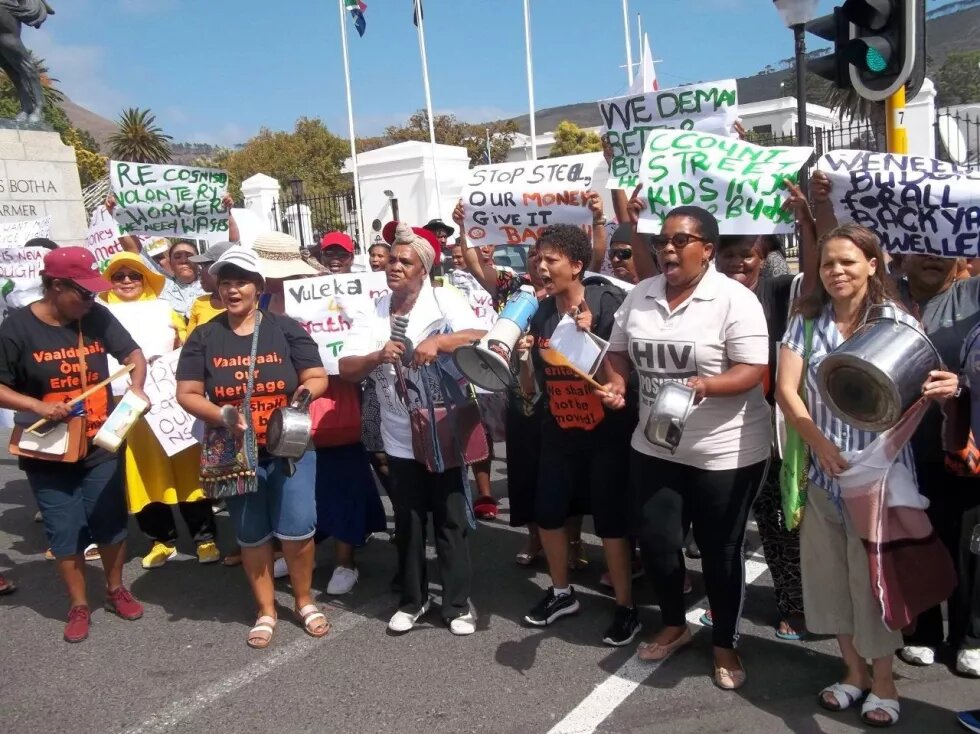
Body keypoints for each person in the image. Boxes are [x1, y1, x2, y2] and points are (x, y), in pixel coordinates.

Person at [776, 224, 959, 726]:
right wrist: (820, 444)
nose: (836, 271)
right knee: (830, 581)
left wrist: (943, 387)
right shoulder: (807, 323)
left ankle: (884, 681)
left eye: (848, 262)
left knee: (874, 586)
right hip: (822, 477)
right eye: (828, 263)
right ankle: (853, 672)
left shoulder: (896, 320)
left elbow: (923, 382)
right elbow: (787, 391)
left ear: (873, 265)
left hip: (877, 483)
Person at [811, 174, 980, 675]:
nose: (932, 256)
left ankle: (969, 634)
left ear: (961, 253)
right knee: (913, 543)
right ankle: (923, 630)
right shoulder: (886, 295)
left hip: (962, 441)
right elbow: (837, 256)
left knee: (969, 543)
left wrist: (961, 390)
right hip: (900, 454)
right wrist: (822, 206)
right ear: (902, 253)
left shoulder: (973, 296)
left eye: (943, 248)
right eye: (921, 246)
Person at [601, 205, 771, 688]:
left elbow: (753, 370)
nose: (667, 249)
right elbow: (617, 352)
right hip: (655, 445)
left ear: (708, 250)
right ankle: (674, 624)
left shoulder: (734, 300)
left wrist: (707, 386)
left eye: (680, 241)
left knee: (720, 550)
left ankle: (725, 645)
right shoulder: (640, 294)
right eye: (662, 241)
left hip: (725, 451)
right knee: (656, 541)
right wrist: (616, 383)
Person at [176, 247, 329, 649]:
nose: (232, 289)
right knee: (251, 534)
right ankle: (266, 610)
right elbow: (187, 392)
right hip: (233, 452)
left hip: (289, 446)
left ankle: (303, 600)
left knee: (297, 529)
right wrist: (221, 414)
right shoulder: (204, 336)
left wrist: (301, 396)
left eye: (241, 281)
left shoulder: (286, 328)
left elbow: (316, 376)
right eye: (225, 281)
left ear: (258, 287)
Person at [339, 222, 486, 635]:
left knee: (450, 518)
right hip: (399, 435)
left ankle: (456, 605)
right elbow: (347, 368)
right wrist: (376, 356)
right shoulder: (376, 310)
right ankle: (414, 601)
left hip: (444, 432)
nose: (394, 266)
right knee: (409, 520)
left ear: (424, 268)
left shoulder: (444, 300)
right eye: (390, 259)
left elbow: (483, 333)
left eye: (405, 261)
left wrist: (441, 342)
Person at [0, 247, 148, 643]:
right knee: (64, 531)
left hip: (101, 442)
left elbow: (132, 354)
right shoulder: (16, 329)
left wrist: (136, 391)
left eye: (93, 292)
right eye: (82, 292)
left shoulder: (94, 315)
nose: (91, 299)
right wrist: (36, 405)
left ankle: (116, 589)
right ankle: (79, 604)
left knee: (110, 522)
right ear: (54, 286)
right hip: (47, 449)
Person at [516, 224, 638, 647]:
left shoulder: (608, 302)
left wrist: (592, 332)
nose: (541, 266)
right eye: (537, 258)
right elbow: (535, 387)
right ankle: (561, 592)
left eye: (551, 259)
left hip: (606, 433)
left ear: (577, 265)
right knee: (548, 513)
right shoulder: (540, 311)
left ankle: (626, 607)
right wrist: (524, 361)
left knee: (610, 522)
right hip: (559, 430)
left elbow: (621, 370)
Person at [97, 252, 219, 568]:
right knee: (141, 473)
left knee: (188, 468)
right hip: (128, 407)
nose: (126, 281)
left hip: (170, 406)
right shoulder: (98, 313)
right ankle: (160, 540)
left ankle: (204, 537)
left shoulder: (164, 308)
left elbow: (185, 346)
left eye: (133, 275)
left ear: (145, 278)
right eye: (119, 276)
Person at [308, 234, 387, 596]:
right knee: (307, 486)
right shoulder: (300, 293)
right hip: (307, 398)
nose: (335, 259)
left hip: (352, 395)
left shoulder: (365, 291)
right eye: (329, 253)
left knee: (350, 477)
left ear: (351, 256)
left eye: (341, 253)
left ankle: (345, 559)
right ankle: (302, 551)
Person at [186, 241, 236, 335]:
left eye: (204, 266)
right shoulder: (199, 303)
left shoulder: (254, 305)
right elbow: (189, 345)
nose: (199, 272)